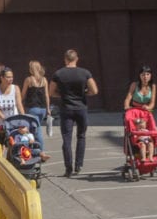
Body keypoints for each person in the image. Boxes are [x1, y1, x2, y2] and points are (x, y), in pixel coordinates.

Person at [49, 49, 99, 178]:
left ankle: (68, 168)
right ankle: (79, 165)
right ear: (76, 59)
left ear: (65, 59)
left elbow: (51, 92)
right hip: (81, 107)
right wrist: (84, 94)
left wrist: (62, 95)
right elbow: (94, 90)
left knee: (67, 138)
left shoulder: (58, 74)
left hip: (66, 108)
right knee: (81, 136)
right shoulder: (85, 73)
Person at [21, 60, 50, 150]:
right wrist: (48, 108)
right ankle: (34, 148)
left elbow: (23, 94)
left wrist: (20, 104)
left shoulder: (29, 80)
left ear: (31, 69)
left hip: (32, 108)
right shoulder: (44, 80)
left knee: (37, 131)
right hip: (42, 109)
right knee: (35, 129)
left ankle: (41, 151)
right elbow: (46, 95)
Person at [0, 66, 22, 144]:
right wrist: (4, 118)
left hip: (13, 122)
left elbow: (19, 104)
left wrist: (23, 117)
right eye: (8, 77)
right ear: (2, 78)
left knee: (13, 144)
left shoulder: (15, 88)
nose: (11, 79)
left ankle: (10, 156)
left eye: (12, 77)